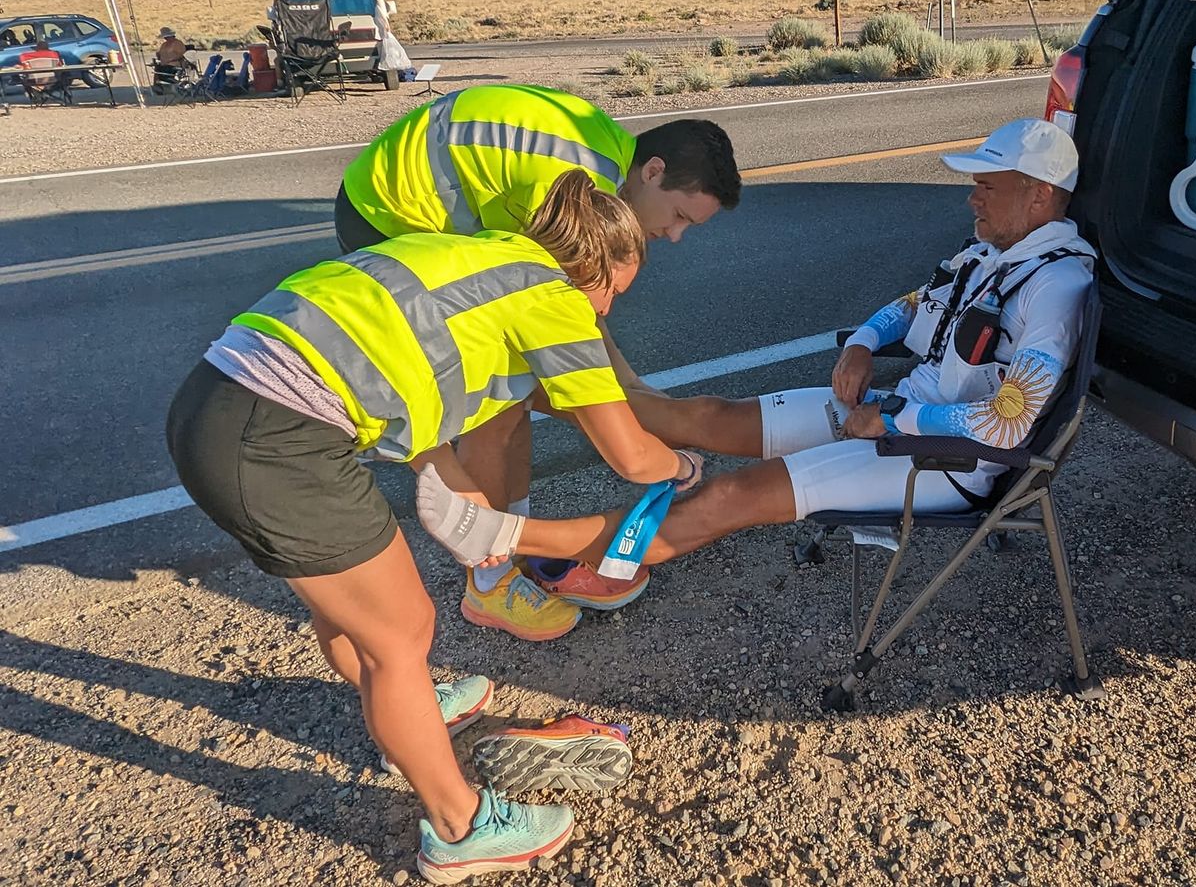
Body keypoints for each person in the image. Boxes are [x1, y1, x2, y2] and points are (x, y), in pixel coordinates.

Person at [165, 171, 704, 883]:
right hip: (278, 440)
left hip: (215, 402)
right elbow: (632, 455)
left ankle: (406, 718)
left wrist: (468, 507)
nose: (606, 315)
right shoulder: (554, 298)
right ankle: (462, 825)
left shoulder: (473, 255)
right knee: (403, 631)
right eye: (613, 295)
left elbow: (420, 411)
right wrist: (679, 463)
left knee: (356, 605)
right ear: (594, 269)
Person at [436, 119, 1096, 595]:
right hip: (888, 415)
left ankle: (505, 539)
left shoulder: (1054, 285)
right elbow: (912, 304)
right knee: (707, 415)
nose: (972, 196)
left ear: (1039, 196)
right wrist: (865, 342)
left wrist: (891, 419)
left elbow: (1009, 423)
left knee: (730, 493)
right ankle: (579, 429)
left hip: (938, 457)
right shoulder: (989, 252)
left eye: (988, 185)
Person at [336, 82, 742, 637]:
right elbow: (563, 314)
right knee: (496, 402)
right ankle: (489, 583)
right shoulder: (573, 187)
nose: (672, 236)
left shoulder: (605, 153)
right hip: (389, 215)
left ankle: (510, 541)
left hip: (412, 196)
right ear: (652, 171)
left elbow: (577, 315)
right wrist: (648, 430)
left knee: (517, 394)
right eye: (678, 216)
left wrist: (630, 388)